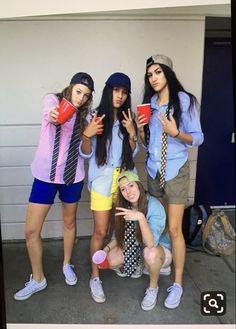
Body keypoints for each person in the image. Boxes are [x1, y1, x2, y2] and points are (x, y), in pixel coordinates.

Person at [14, 72, 95, 301]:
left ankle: (67, 263)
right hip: (45, 175)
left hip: (72, 176)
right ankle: (38, 279)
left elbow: (86, 153)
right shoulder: (52, 100)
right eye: (78, 91)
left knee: (69, 223)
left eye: (86, 95)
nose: (81, 98)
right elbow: (53, 117)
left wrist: (87, 135)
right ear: (70, 87)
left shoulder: (87, 117)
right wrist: (59, 112)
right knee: (30, 231)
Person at [136, 54, 204, 309]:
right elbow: (147, 143)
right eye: (149, 74)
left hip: (175, 170)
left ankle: (177, 284)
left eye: (158, 72)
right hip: (154, 171)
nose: (153, 78)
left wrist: (176, 132)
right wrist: (141, 129)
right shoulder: (150, 104)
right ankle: (160, 269)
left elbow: (198, 138)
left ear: (168, 73)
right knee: (159, 223)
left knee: (175, 229)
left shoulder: (185, 101)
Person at [80, 72, 139, 303]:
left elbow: (131, 155)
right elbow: (85, 153)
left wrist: (133, 133)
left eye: (124, 92)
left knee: (123, 227)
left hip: (123, 181)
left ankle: (119, 261)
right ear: (108, 91)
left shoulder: (128, 118)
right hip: (102, 182)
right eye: (116, 90)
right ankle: (94, 277)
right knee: (101, 231)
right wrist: (87, 133)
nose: (120, 96)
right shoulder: (95, 117)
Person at [103, 170, 172, 311]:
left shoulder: (153, 205)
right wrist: (105, 250)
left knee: (150, 253)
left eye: (131, 186)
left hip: (159, 250)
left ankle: (153, 286)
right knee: (109, 260)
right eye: (123, 189)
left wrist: (140, 217)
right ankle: (141, 265)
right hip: (136, 248)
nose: (128, 192)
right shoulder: (124, 207)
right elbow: (118, 237)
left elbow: (151, 243)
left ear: (139, 185)